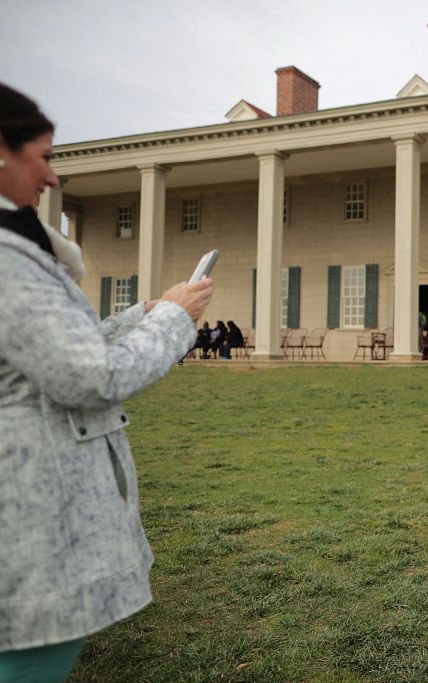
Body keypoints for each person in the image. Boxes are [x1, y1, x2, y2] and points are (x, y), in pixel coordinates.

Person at [0, 82, 214, 682]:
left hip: (30, 494)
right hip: (29, 500)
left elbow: (57, 349)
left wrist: (139, 316)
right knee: (31, 657)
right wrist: (173, 318)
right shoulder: (7, 255)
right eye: (39, 155)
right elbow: (91, 377)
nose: (50, 176)